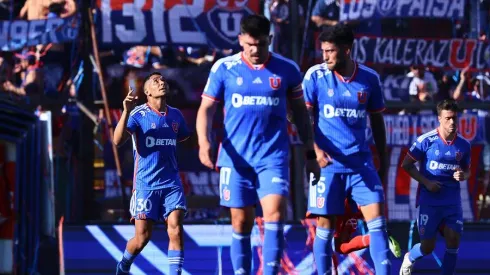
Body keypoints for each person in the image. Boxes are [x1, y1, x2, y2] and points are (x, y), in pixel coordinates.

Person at [196, 14, 319, 275]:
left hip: (272, 157)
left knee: (274, 215)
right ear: (241, 40)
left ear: (270, 40)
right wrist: (203, 142)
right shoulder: (223, 68)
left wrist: (310, 151)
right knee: (241, 223)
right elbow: (206, 108)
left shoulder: (287, 69)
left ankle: (271, 271)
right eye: (250, 44)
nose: (255, 50)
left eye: (261, 44)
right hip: (235, 160)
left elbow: (300, 113)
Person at [302, 24, 391, 274]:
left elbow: (377, 121)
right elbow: (303, 118)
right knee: (325, 227)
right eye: (323, 51)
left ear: (347, 50)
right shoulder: (315, 76)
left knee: (378, 223)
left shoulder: (369, 78)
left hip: (361, 164)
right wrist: (315, 150)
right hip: (327, 166)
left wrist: (382, 159)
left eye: (330, 51)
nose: (326, 56)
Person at [113, 72, 191, 275]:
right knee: (142, 238)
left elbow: (184, 137)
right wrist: (125, 112)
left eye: (163, 80)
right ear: (147, 91)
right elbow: (116, 140)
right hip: (145, 185)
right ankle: (123, 265)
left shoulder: (176, 115)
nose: (161, 82)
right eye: (155, 81)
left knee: (175, 227)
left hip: (171, 183)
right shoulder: (138, 115)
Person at [399, 99, 471, 275]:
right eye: (448, 118)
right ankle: (409, 258)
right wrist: (427, 183)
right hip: (429, 201)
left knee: (453, 241)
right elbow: (406, 165)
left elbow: (467, 170)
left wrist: (463, 175)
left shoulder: (464, 145)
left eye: (454, 118)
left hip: (452, 202)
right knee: (427, 247)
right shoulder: (426, 141)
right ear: (439, 119)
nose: (452, 122)